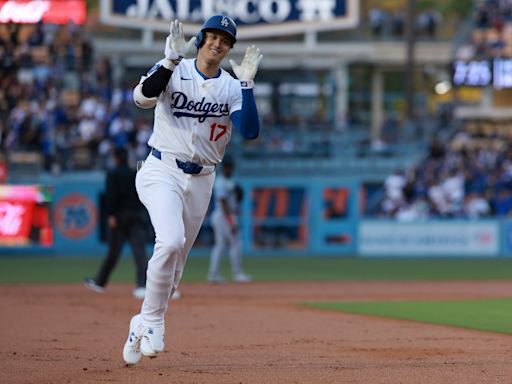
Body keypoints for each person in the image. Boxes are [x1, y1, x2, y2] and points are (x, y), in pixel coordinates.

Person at [122, 15, 262, 366]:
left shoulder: (231, 86)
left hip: (203, 179)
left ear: (230, 48)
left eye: (225, 40)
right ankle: (153, 320)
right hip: (162, 168)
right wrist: (169, 61)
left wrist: (246, 86)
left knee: (175, 271)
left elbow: (249, 131)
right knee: (169, 241)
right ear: (201, 39)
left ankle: (140, 322)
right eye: (212, 36)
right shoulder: (175, 67)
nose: (217, 43)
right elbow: (142, 98)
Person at [84, 147, 148, 299]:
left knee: (113, 252)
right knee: (140, 252)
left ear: (116, 159)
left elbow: (111, 195)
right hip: (136, 215)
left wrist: (111, 214)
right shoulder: (135, 173)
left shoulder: (112, 174)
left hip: (119, 217)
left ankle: (100, 283)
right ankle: (142, 286)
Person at [207, 156, 251, 283]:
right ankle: (237, 273)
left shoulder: (229, 182)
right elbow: (224, 202)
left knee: (220, 245)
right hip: (223, 215)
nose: (231, 169)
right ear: (225, 167)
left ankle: (213, 274)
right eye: (229, 167)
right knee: (235, 243)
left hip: (224, 215)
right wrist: (231, 221)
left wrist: (238, 197)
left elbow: (234, 201)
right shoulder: (220, 182)